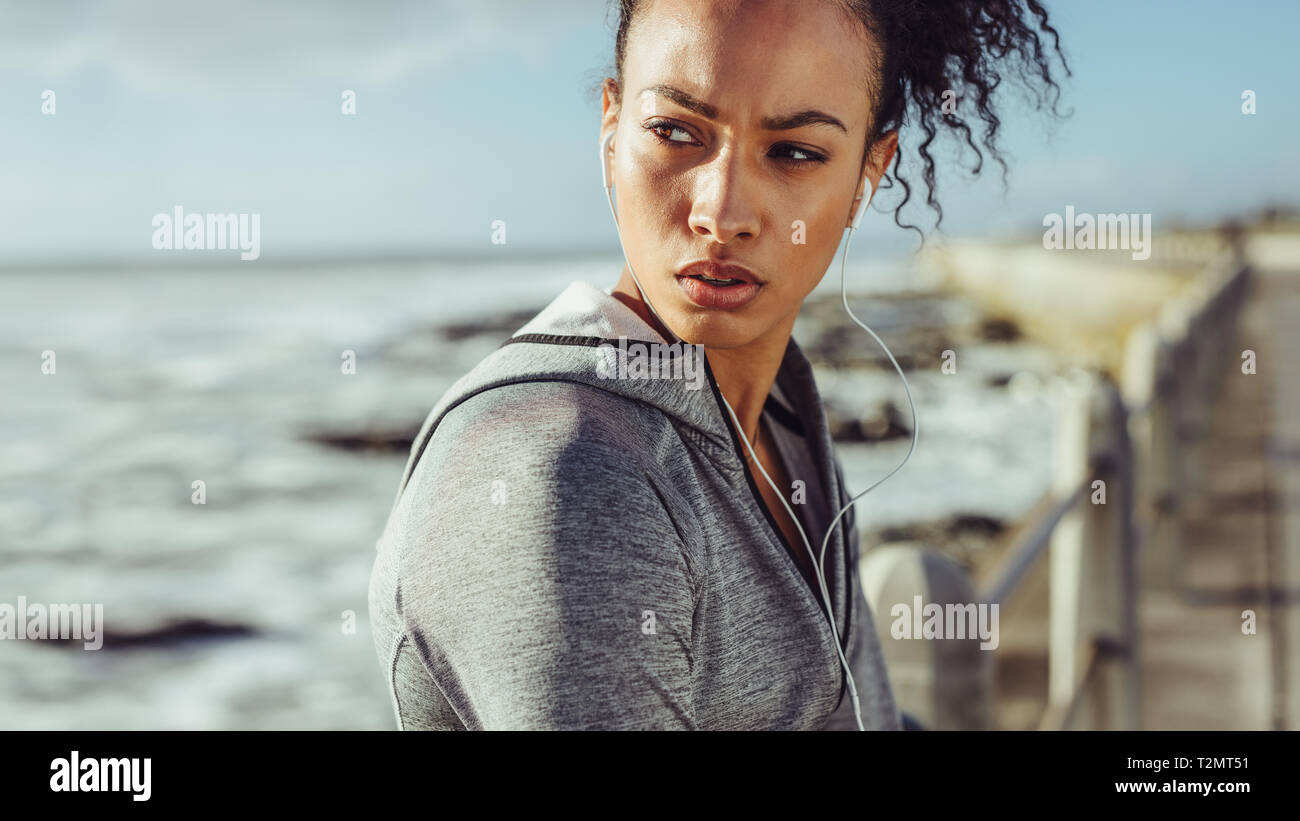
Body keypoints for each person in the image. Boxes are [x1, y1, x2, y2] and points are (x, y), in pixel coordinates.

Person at [368, 0, 1069, 730]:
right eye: (675, 131)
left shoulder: (782, 420)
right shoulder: (568, 470)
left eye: (794, 151)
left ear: (871, 171)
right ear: (612, 130)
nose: (722, 210)